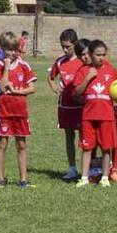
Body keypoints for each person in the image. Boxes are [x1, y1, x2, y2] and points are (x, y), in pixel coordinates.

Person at [73, 39, 117, 188]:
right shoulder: (83, 70)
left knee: (106, 148)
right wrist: (88, 78)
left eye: (104, 54)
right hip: (88, 116)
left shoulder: (111, 70)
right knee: (87, 148)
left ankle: (105, 177)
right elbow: (76, 93)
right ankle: (84, 177)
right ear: (90, 54)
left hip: (107, 116)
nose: (101, 58)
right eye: (98, 54)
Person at [0, 31, 37, 188]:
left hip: (20, 112)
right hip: (4, 112)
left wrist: (18, 91)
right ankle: (0, 178)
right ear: (2, 49)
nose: (11, 53)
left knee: (21, 145)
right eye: (8, 49)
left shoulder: (24, 66)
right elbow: (2, 87)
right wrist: (6, 68)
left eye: (14, 49)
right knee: (2, 144)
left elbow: (32, 88)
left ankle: (23, 179)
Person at [47, 28, 84, 181]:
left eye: (68, 46)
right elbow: (50, 77)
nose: (65, 49)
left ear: (75, 44)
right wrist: (54, 86)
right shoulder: (60, 62)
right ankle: (72, 169)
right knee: (69, 136)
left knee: (85, 137)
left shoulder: (83, 61)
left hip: (82, 106)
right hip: (66, 106)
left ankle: (87, 170)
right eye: (63, 46)